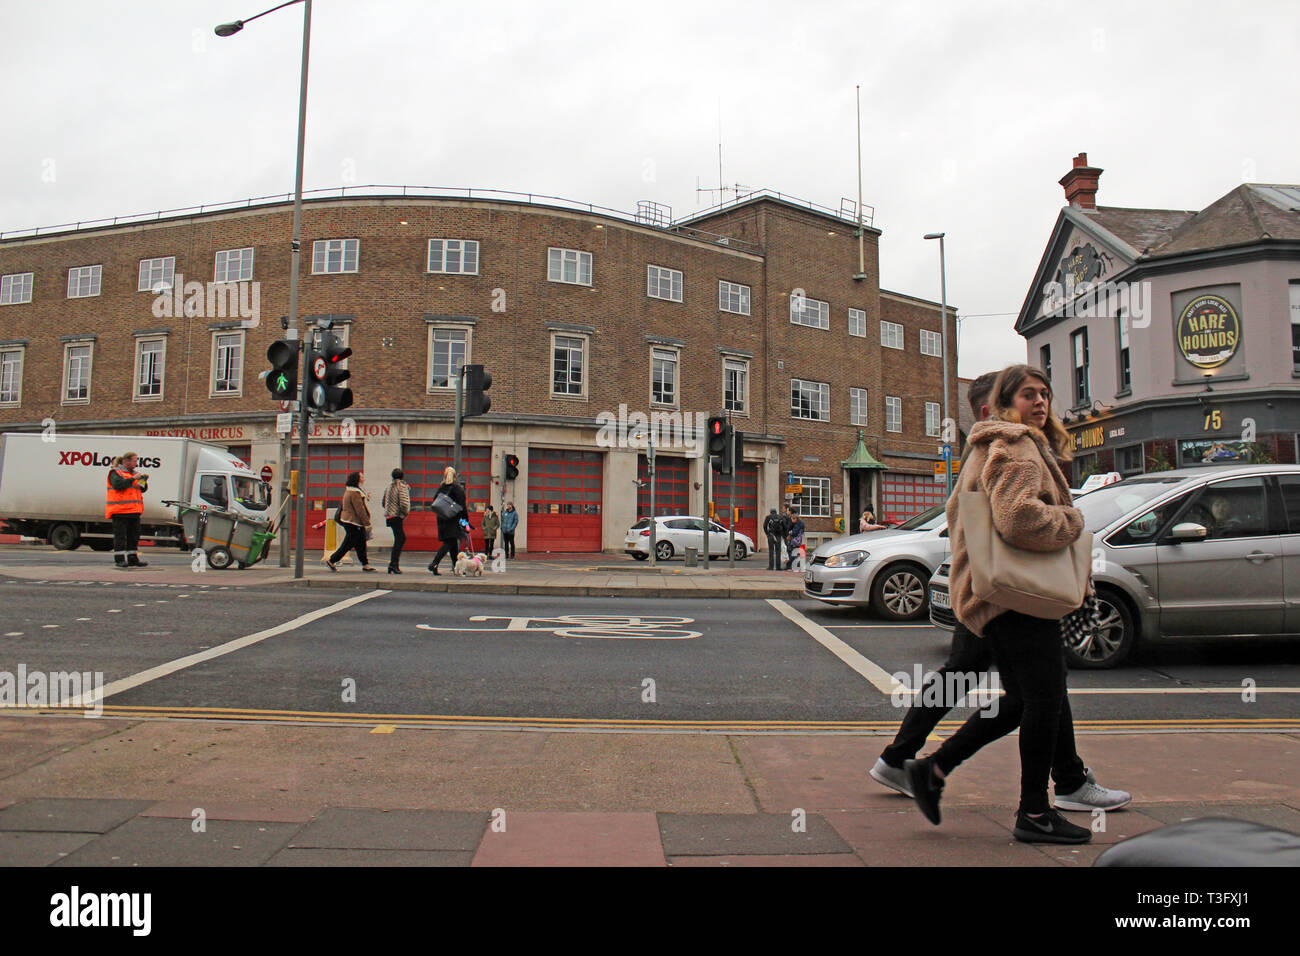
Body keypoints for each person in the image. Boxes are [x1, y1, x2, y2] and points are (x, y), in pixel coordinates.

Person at [902, 364, 1125, 846]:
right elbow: (1019, 519)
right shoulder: (1016, 447)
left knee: (1023, 702)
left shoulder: (989, 445)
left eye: (1045, 393)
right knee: (1044, 701)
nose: (1040, 402)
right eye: (1028, 395)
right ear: (1005, 404)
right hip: (1021, 598)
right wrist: (1071, 520)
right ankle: (1035, 812)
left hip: (996, 595)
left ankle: (933, 769)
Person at [324, 471, 376, 572]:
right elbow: (360, 510)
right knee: (348, 543)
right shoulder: (354, 493)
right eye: (361, 476)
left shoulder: (354, 490)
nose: (363, 478)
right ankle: (332, 560)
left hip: (353, 522)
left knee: (361, 543)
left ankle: (365, 565)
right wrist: (367, 523)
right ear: (357, 479)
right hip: (353, 522)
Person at [106, 452, 149, 569]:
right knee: (120, 537)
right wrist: (133, 479)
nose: (136, 463)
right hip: (120, 511)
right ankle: (119, 560)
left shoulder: (135, 474)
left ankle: (132, 558)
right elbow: (118, 485)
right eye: (135, 461)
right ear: (126, 461)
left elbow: (141, 489)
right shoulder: (115, 472)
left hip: (134, 511)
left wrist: (143, 481)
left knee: (134, 536)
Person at [428, 466, 468, 575]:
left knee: (452, 544)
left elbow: (435, 501)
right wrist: (466, 522)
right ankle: (434, 563)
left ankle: (456, 568)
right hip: (453, 519)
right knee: (449, 542)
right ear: (455, 476)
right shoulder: (457, 488)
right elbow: (462, 506)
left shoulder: (441, 487)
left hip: (441, 518)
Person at [382, 468, 410, 574]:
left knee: (399, 538)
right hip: (397, 515)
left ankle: (393, 564)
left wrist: (389, 510)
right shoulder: (402, 486)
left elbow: (383, 501)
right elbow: (404, 503)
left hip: (389, 515)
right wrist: (404, 514)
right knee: (400, 539)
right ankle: (394, 564)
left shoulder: (388, 486)